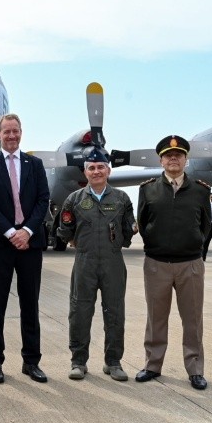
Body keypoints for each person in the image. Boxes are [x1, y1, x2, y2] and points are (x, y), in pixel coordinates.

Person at [0, 113, 50, 384]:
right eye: (6, 131)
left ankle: (31, 362)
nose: (11, 136)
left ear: (21, 132)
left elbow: (43, 199)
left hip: (30, 244)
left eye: (15, 131)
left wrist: (27, 231)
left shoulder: (35, 164)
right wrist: (10, 232)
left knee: (30, 305)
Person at [135, 135, 211, 390]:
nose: (173, 158)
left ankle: (195, 369)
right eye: (168, 155)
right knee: (156, 318)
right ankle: (152, 365)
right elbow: (143, 223)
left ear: (186, 160)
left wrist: (194, 244)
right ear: (161, 160)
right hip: (157, 263)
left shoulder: (201, 190)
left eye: (178, 155)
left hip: (190, 264)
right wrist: (156, 245)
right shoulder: (148, 189)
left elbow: (205, 226)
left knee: (192, 319)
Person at [57, 148, 136, 382]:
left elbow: (128, 231)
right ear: (86, 172)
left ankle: (113, 362)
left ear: (108, 170)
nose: (96, 171)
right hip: (84, 262)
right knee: (79, 312)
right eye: (91, 168)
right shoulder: (74, 199)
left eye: (101, 167)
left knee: (115, 312)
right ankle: (78, 362)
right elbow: (65, 232)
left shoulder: (121, 199)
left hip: (113, 262)